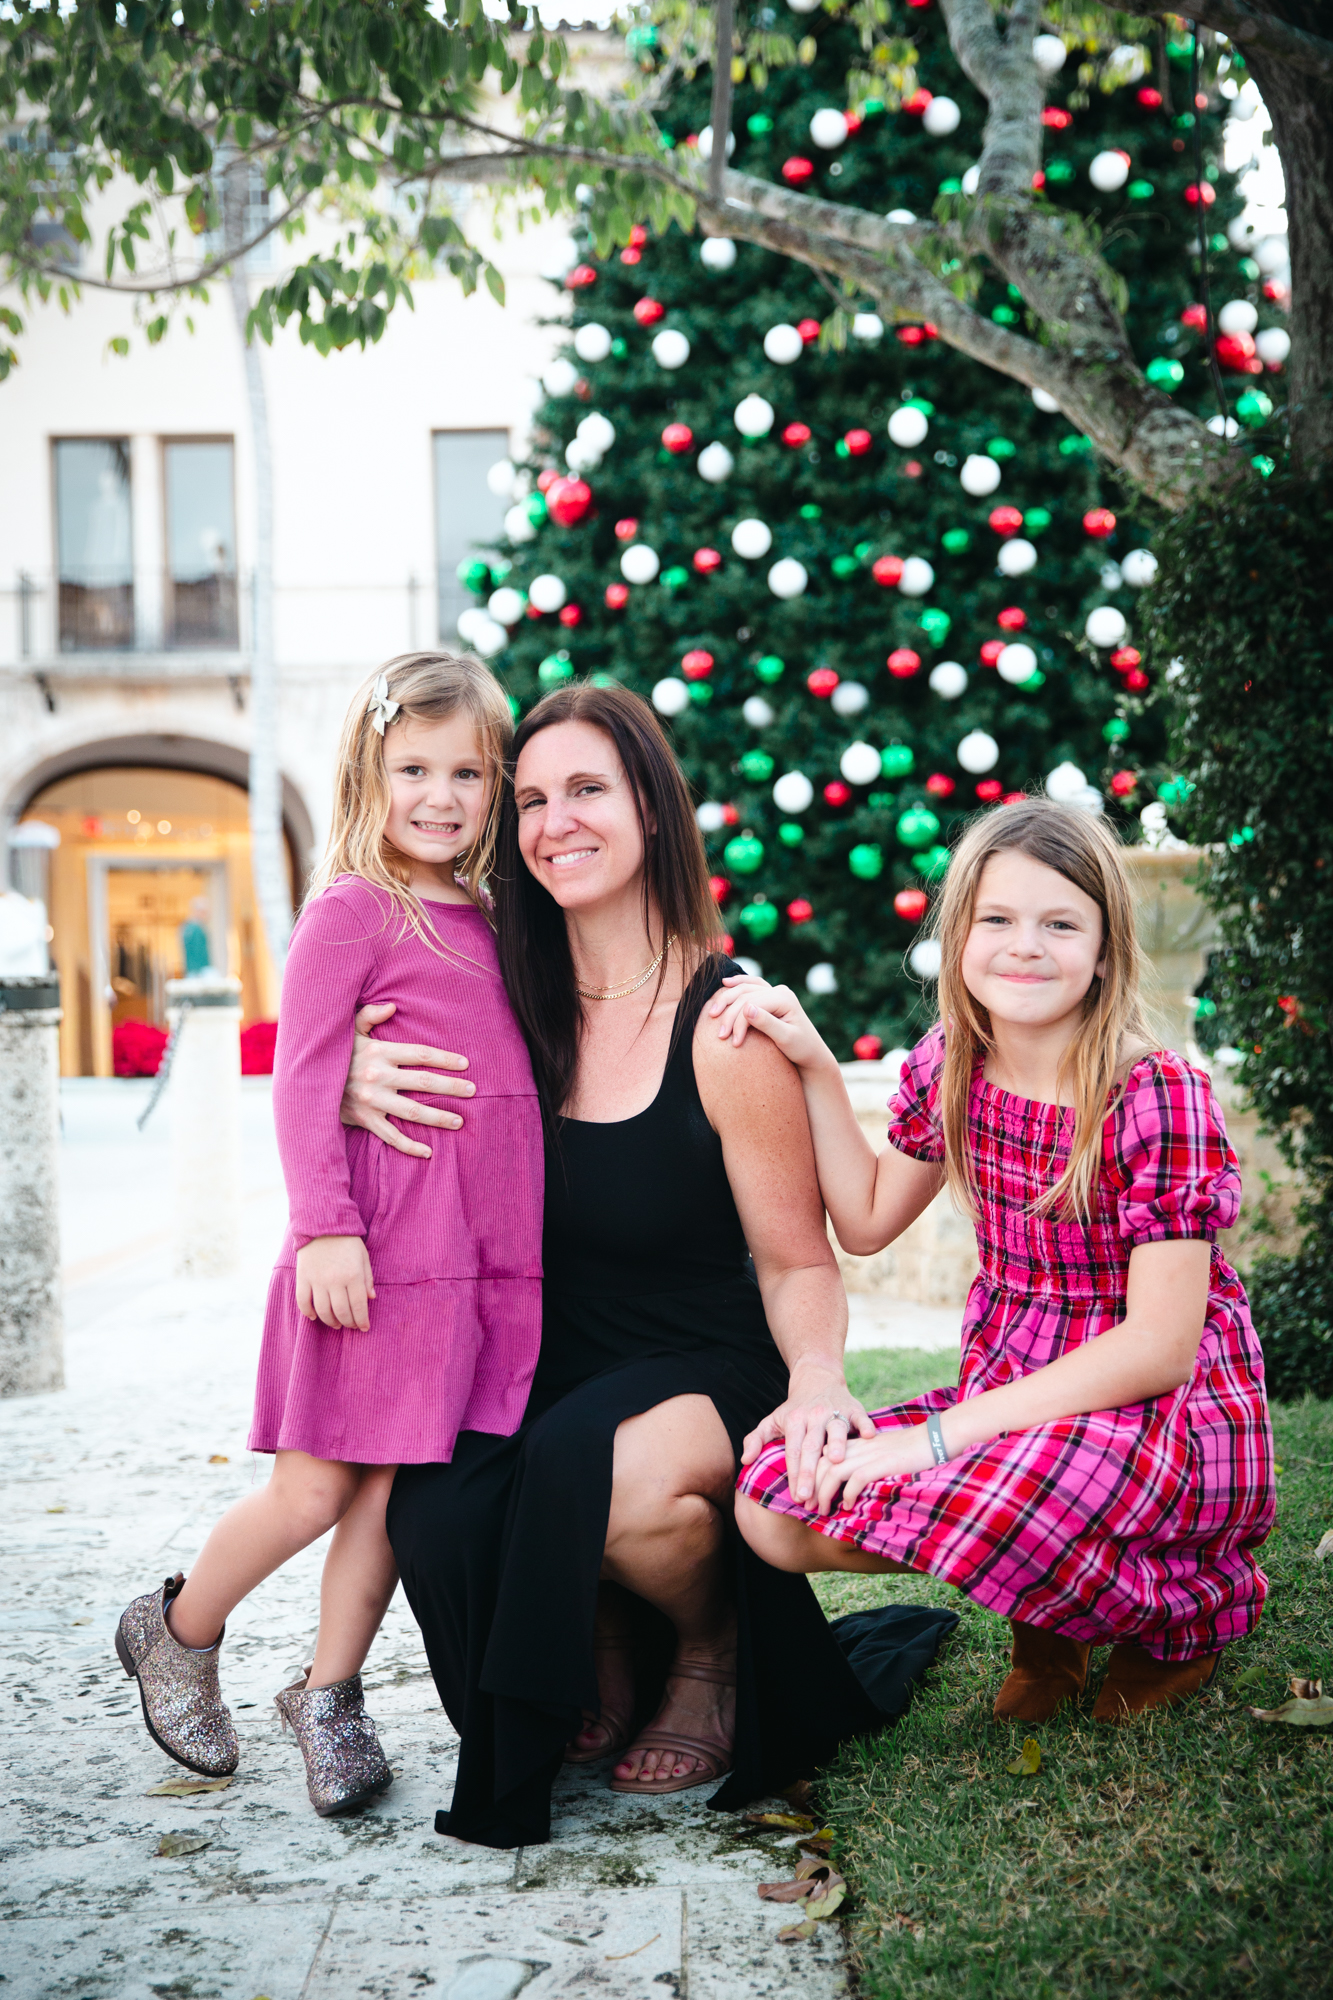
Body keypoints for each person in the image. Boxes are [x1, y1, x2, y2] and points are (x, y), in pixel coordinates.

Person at [341, 683, 954, 1849]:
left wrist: (817, 1378)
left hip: (699, 1359)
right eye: (529, 799)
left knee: (605, 1477)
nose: (554, 821)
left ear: (653, 810)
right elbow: (348, 1039)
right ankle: (604, 1636)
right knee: (438, 1509)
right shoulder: (500, 998)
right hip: (546, 1355)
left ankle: (712, 1645)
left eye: (587, 789)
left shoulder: (722, 1024)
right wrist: (346, 1079)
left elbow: (797, 1257)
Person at [718, 796, 1275, 1723]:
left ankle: (1183, 1619)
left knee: (1006, 1491)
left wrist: (936, 1439)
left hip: (1156, 1409)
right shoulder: (954, 1064)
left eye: (1060, 924)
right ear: (958, 938)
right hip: (1014, 1391)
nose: (1026, 947)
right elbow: (864, 1220)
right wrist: (815, 1062)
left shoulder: (1154, 1092)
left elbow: (1159, 1348)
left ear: (1104, 949)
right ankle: (1050, 1630)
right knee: (776, 1501)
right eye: (997, 920)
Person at [114, 652, 542, 1814]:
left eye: (468, 772)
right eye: (415, 769)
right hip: (373, 1251)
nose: (442, 796)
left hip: (474, 1261)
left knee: (395, 1493)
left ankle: (329, 1691)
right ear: (370, 771)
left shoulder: (498, 914)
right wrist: (325, 1230)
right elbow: (303, 1080)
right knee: (312, 1489)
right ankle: (177, 1627)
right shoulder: (353, 907)